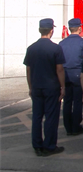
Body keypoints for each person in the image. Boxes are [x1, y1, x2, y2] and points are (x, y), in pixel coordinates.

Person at [24, 18, 66, 157]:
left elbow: (28, 70)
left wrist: (30, 87)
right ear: (51, 31)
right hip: (51, 87)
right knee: (51, 117)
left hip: (36, 87)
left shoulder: (31, 48)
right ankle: (49, 145)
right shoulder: (55, 48)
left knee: (36, 117)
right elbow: (59, 69)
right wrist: (63, 87)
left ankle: (37, 145)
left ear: (39, 30)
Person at [59, 18, 83, 136]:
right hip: (78, 74)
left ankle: (68, 127)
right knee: (77, 101)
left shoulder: (62, 44)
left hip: (65, 74)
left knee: (67, 101)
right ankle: (76, 126)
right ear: (80, 28)